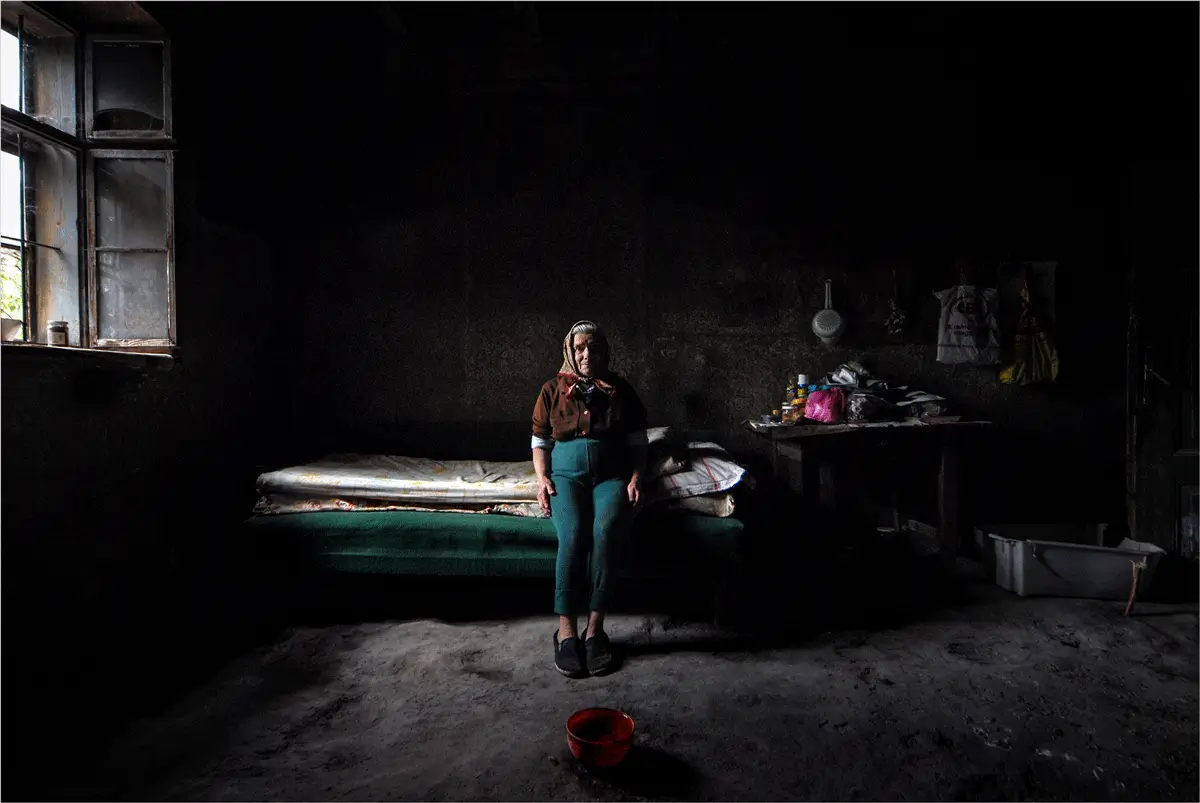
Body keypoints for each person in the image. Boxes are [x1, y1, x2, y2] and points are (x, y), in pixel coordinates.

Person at [531, 320, 648, 678]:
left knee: (606, 530)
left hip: (611, 477)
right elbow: (540, 441)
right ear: (569, 350)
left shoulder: (621, 390)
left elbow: (638, 442)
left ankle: (595, 631)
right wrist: (542, 478)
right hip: (566, 478)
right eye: (580, 348)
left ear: (604, 351)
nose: (587, 354)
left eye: (594, 347)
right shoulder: (552, 390)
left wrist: (636, 478)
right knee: (572, 534)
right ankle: (566, 633)